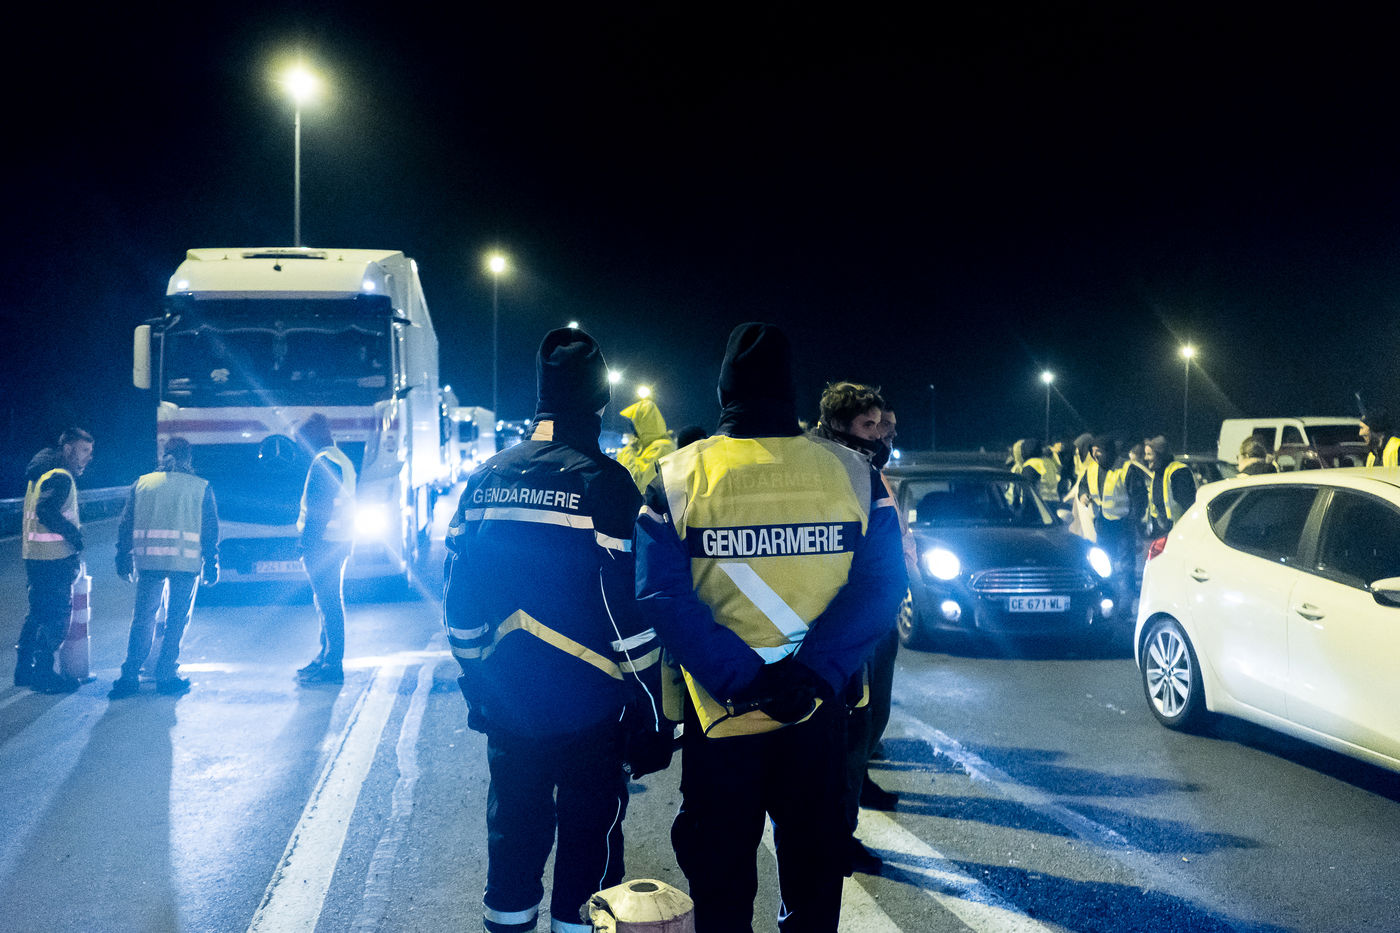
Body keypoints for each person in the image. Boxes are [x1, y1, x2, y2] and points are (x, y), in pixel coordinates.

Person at [635, 324, 907, 932]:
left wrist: (742, 678)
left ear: (723, 391)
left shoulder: (678, 475)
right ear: (790, 390)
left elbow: (660, 594)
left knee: (722, 885)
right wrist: (811, 673)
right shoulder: (853, 472)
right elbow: (884, 585)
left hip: (720, 713)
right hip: (818, 712)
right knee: (813, 883)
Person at [444, 328, 667, 933]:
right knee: (589, 847)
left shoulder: (486, 477)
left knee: (512, 837)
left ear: (541, 395)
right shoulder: (605, 482)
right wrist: (651, 710)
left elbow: (459, 598)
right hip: (589, 708)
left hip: (509, 704)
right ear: (599, 401)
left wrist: (479, 679)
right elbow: (625, 611)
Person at [109, 437, 220, 698]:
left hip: (149, 562)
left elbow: (126, 524)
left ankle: (129, 675)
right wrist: (212, 563)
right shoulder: (200, 486)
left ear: (163, 455)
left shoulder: (142, 483)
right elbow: (210, 529)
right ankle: (166, 674)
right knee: (176, 619)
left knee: (143, 618)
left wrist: (122, 557)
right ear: (188, 457)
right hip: (185, 563)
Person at [15, 428, 94, 693]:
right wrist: (75, 537)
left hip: (35, 555)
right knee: (56, 617)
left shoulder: (42, 472)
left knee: (38, 612)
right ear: (68, 449)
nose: (88, 457)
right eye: (84, 450)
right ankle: (43, 674)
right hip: (55, 558)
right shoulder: (60, 476)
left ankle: (24, 669)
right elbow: (46, 510)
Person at [295, 413, 357, 685]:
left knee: (329, 603)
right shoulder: (340, 459)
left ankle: (332, 664)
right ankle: (325, 657)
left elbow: (318, 510)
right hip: (339, 540)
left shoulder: (323, 462)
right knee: (328, 601)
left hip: (324, 544)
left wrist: (306, 544)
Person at [1074, 437, 1134, 607]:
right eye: (1092, 451)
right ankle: (1107, 595)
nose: (1095, 455)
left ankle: (1126, 603)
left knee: (1125, 565)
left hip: (1123, 523)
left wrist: (1136, 520)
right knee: (1104, 562)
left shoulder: (1125, 468)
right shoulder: (1092, 469)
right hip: (1102, 523)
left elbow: (1138, 497)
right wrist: (1083, 495)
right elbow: (1083, 486)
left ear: (1108, 451)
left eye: (1098, 451)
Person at [813, 380, 888, 466]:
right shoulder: (812, 463)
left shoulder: (864, 461)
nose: (877, 435)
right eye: (868, 425)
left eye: (877, 425)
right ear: (838, 424)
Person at [616, 397, 676, 492]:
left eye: (634, 425)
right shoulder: (642, 446)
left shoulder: (662, 447)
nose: (633, 430)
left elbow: (636, 482)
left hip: (649, 500)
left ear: (643, 424)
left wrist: (629, 451)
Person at [1143, 435, 1198, 538]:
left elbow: (1188, 505)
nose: (1145, 458)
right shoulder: (1157, 473)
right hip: (1164, 532)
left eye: (1149, 454)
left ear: (1160, 455)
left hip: (1181, 533)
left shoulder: (1178, 472)